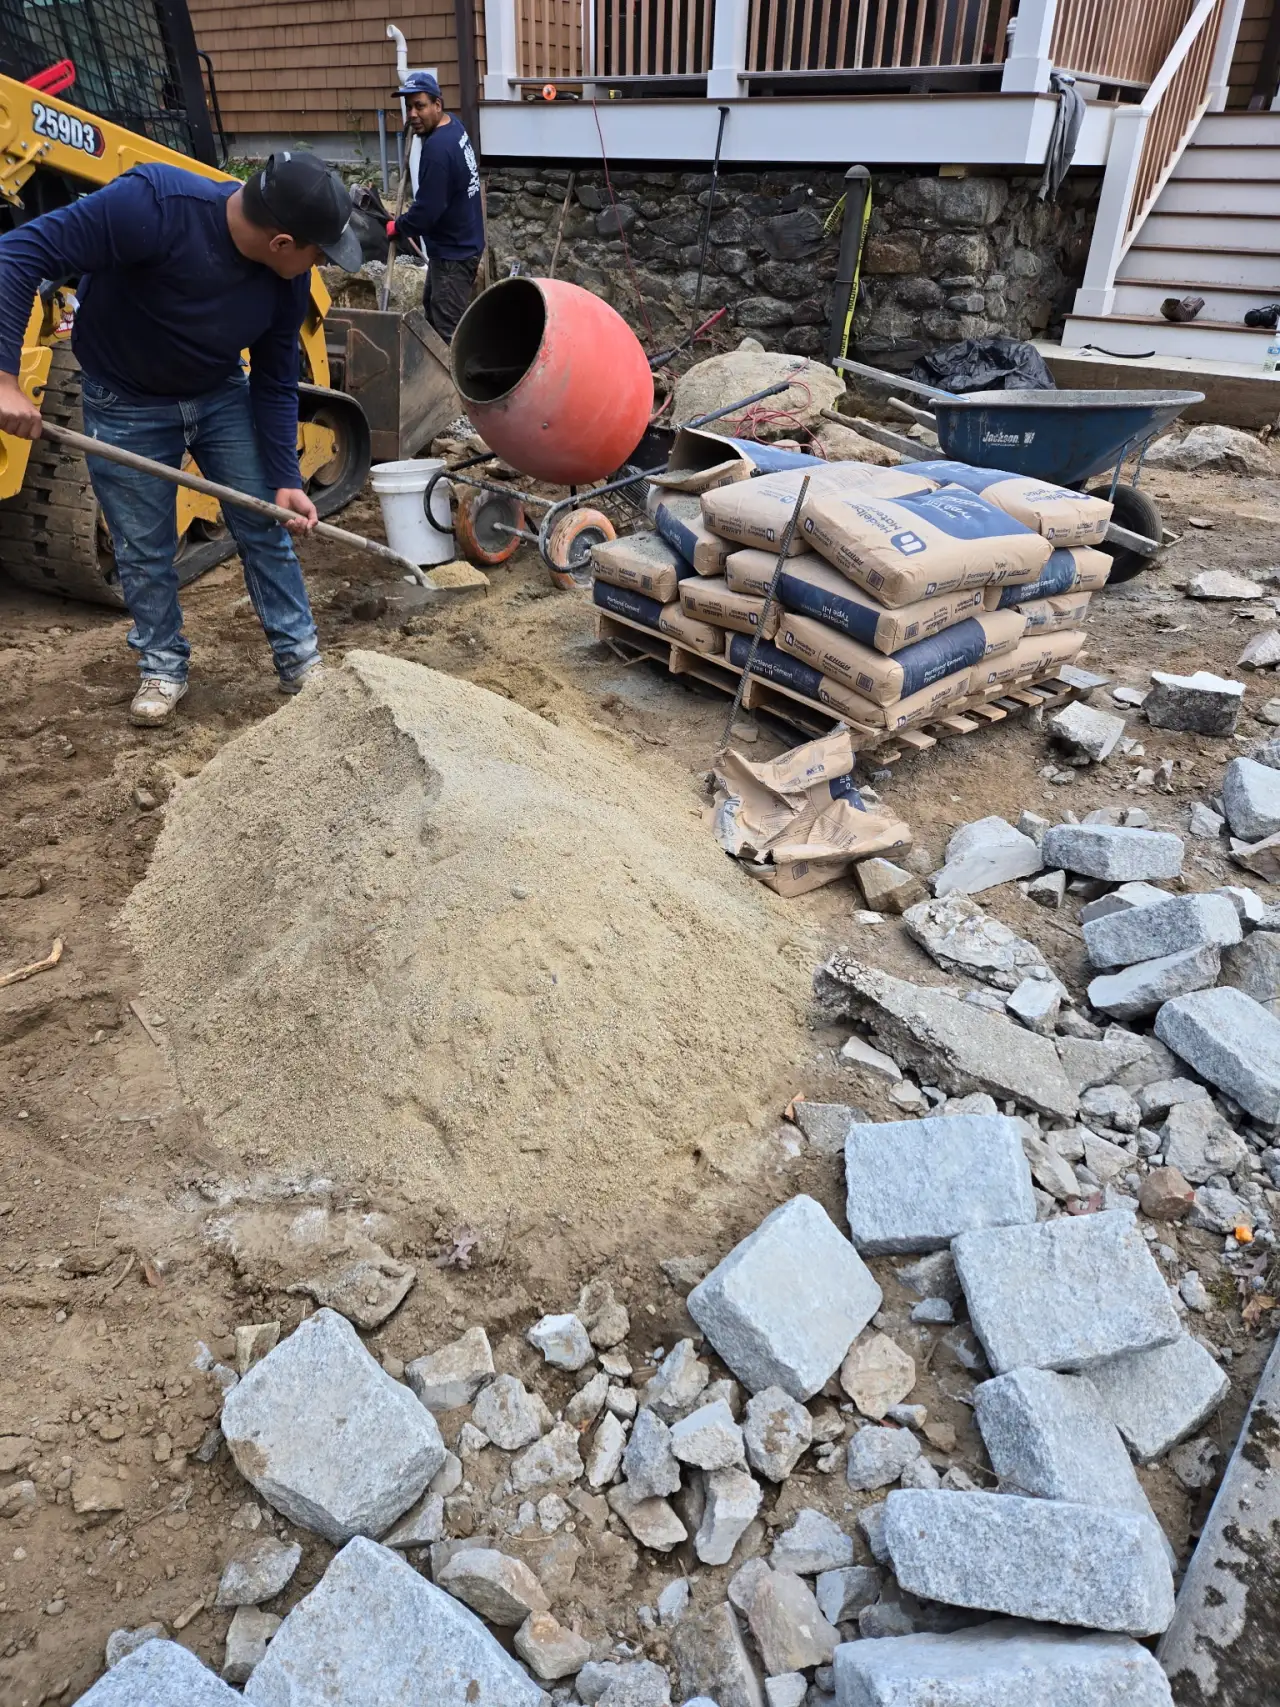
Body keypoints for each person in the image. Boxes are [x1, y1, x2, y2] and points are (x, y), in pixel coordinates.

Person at [0, 151, 363, 725]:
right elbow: (17, 254)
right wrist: (3, 380)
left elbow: (273, 382)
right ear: (282, 241)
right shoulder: (152, 205)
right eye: (319, 253)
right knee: (144, 550)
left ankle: (302, 662)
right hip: (126, 402)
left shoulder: (288, 281)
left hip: (219, 393)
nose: (322, 265)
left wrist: (286, 480)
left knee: (265, 524)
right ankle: (163, 665)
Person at [389, 71, 484, 343]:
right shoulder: (454, 126)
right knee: (432, 308)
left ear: (437, 105)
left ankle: (457, 383)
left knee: (447, 332)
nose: (413, 114)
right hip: (461, 243)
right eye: (409, 108)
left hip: (455, 254)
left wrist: (399, 226)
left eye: (420, 106)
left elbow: (427, 213)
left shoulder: (438, 150)